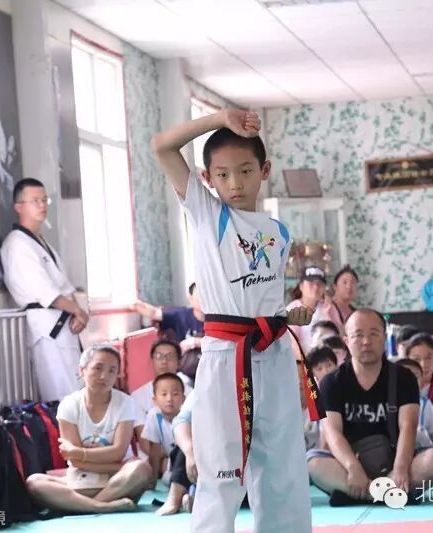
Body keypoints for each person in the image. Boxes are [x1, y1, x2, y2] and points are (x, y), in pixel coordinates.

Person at [152, 108, 321, 532]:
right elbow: (163, 146)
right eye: (222, 175)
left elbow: (268, 302)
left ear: (264, 171)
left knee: (282, 470)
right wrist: (219, 118)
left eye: (245, 171)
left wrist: (293, 314)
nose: (235, 184)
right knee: (222, 471)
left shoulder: (279, 232)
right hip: (227, 357)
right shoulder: (208, 215)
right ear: (206, 178)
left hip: (274, 353)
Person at [308, 309, 433, 505]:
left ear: (384, 338)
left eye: (373, 334)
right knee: (313, 463)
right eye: (358, 335)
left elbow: (408, 427)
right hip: (350, 465)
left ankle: (361, 494)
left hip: (394, 461)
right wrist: (353, 467)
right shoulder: (331, 382)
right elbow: (332, 432)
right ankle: (383, 493)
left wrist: (400, 468)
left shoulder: (404, 378)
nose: (366, 341)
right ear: (346, 341)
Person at [26, 345, 151, 513]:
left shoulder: (125, 402)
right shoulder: (68, 405)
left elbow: (118, 452)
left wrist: (81, 454)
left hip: (118, 479)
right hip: (81, 479)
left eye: (112, 371)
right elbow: (75, 461)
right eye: (98, 368)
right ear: (82, 370)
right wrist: (108, 463)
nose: (104, 376)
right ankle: (102, 507)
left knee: (141, 469)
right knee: (34, 482)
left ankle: (80, 506)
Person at [0, 178, 87, 403]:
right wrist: (78, 311)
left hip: (62, 325)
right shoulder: (17, 244)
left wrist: (77, 312)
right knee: (62, 395)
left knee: (77, 390)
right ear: (19, 207)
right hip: (46, 327)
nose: (42, 205)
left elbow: (64, 286)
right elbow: (45, 292)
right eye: (35, 201)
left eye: (44, 200)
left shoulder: (40, 242)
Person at [142, 373, 191, 516]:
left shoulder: (188, 414)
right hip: (175, 465)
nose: (169, 399)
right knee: (166, 479)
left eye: (175, 394)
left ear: (184, 398)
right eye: (164, 394)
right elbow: (154, 450)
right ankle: (187, 497)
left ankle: (187, 496)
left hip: (191, 461)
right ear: (154, 400)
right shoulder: (153, 416)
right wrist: (152, 480)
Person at [133, 283, 204, 351]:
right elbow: (154, 313)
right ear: (190, 298)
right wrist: (134, 304)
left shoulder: (211, 318)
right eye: (199, 296)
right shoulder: (181, 314)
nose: (203, 300)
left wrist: (195, 342)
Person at [130, 340, 193, 417]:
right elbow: (141, 425)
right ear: (152, 361)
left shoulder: (191, 395)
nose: (164, 361)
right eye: (159, 356)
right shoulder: (138, 396)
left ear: (179, 362)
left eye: (170, 357)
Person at [287, 266, 328, 352]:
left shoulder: (327, 307)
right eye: (311, 283)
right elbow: (292, 344)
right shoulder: (292, 309)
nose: (316, 287)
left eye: (320, 284)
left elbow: (338, 334)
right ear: (301, 286)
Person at [312, 265, 359, 336]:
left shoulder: (356, 313)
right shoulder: (325, 307)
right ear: (335, 287)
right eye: (344, 282)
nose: (349, 286)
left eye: (353, 283)